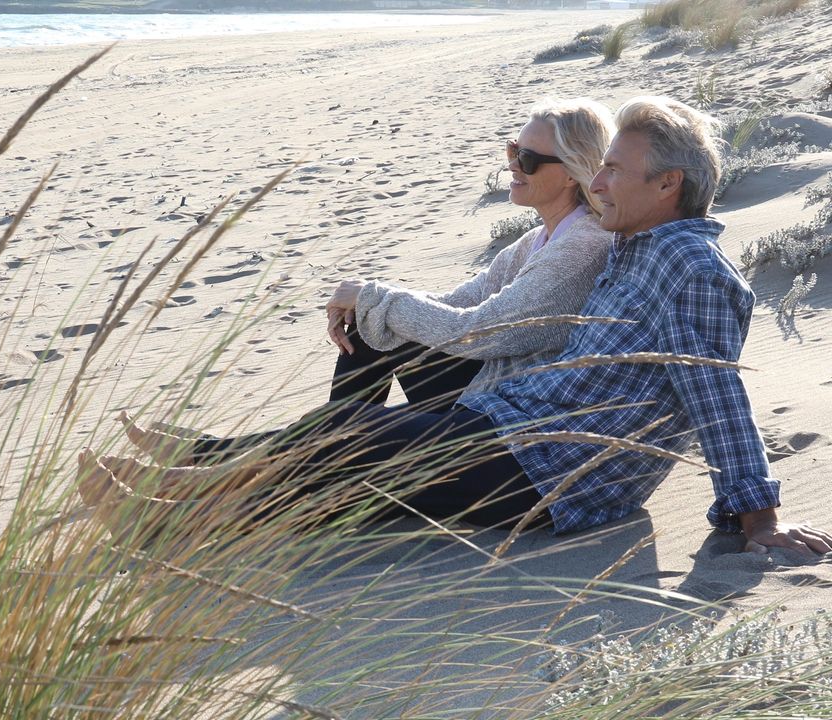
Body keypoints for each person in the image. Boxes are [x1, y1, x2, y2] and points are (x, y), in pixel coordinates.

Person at [80, 96, 832, 556]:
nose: (598, 185)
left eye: (613, 172)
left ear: (668, 184)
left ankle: (172, 511)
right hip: (518, 426)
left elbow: (715, 396)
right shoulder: (636, 247)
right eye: (595, 169)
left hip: (559, 472)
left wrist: (758, 515)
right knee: (359, 445)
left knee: (359, 450)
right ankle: (189, 490)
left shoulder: (693, 272)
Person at [324, 97, 615, 414]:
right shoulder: (537, 241)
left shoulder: (581, 249)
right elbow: (454, 304)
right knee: (371, 326)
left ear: (572, 172)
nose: (512, 165)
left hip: (509, 409)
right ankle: (333, 445)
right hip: (489, 374)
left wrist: (372, 297)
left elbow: (480, 333)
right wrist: (368, 299)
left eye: (528, 159)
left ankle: (332, 442)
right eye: (513, 151)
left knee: (378, 318)